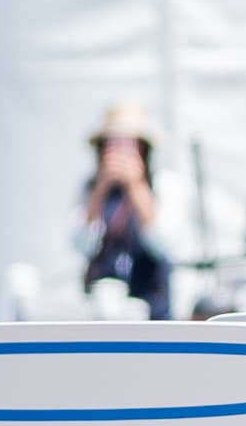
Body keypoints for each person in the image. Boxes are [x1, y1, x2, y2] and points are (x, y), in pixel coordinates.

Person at [74, 102, 172, 318]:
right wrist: (100, 190)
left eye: (128, 143)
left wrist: (136, 186)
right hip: (102, 308)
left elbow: (164, 244)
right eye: (113, 143)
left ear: (143, 148)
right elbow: (80, 244)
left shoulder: (164, 184)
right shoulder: (90, 189)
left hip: (152, 307)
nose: (119, 152)